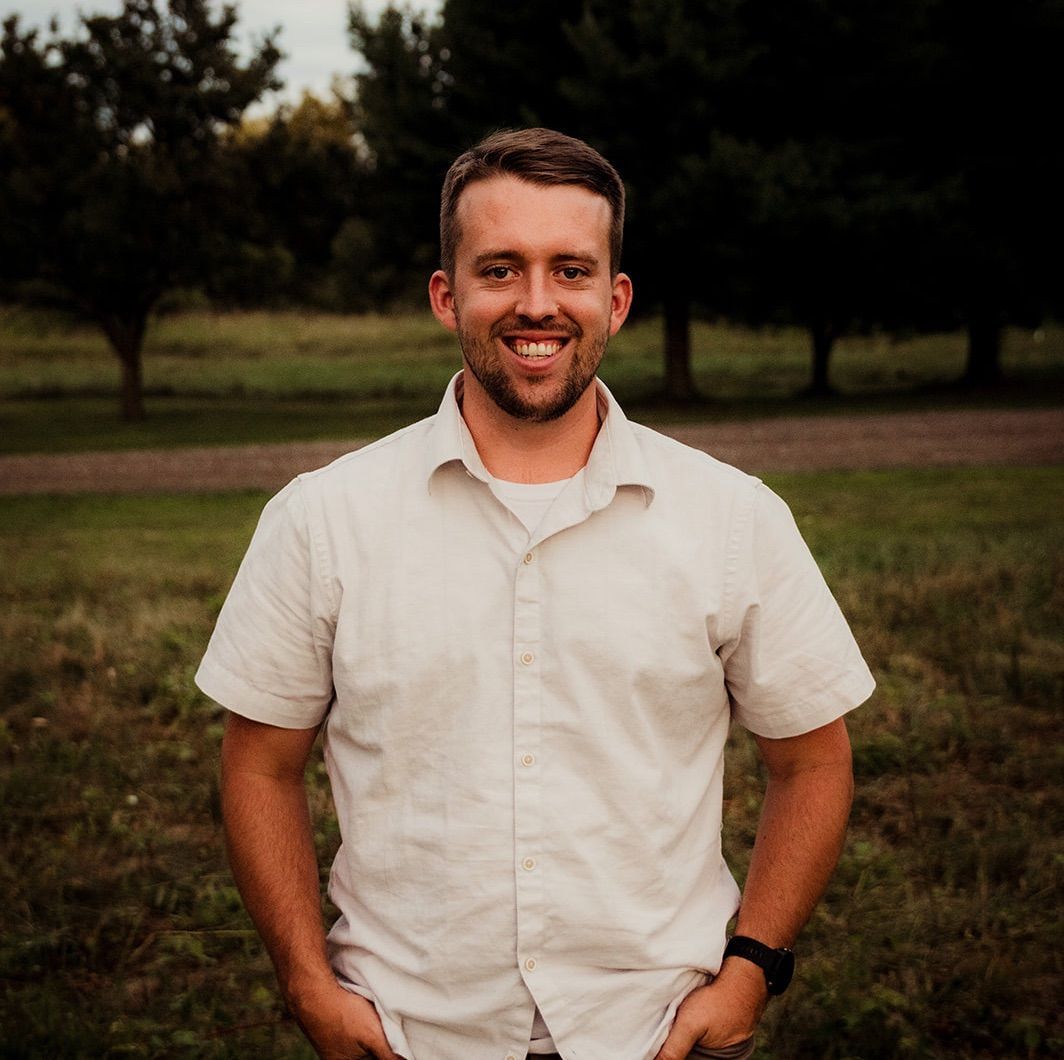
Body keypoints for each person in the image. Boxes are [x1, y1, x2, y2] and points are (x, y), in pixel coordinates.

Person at [196, 128, 875, 1060]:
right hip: (409, 1034)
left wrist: (753, 966)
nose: (537, 304)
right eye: (500, 269)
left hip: (654, 1034)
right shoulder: (321, 519)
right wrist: (308, 985)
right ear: (447, 294)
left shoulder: (734, 518)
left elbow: (815, 762)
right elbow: (258, 766)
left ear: (616, 298)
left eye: (571, 270)